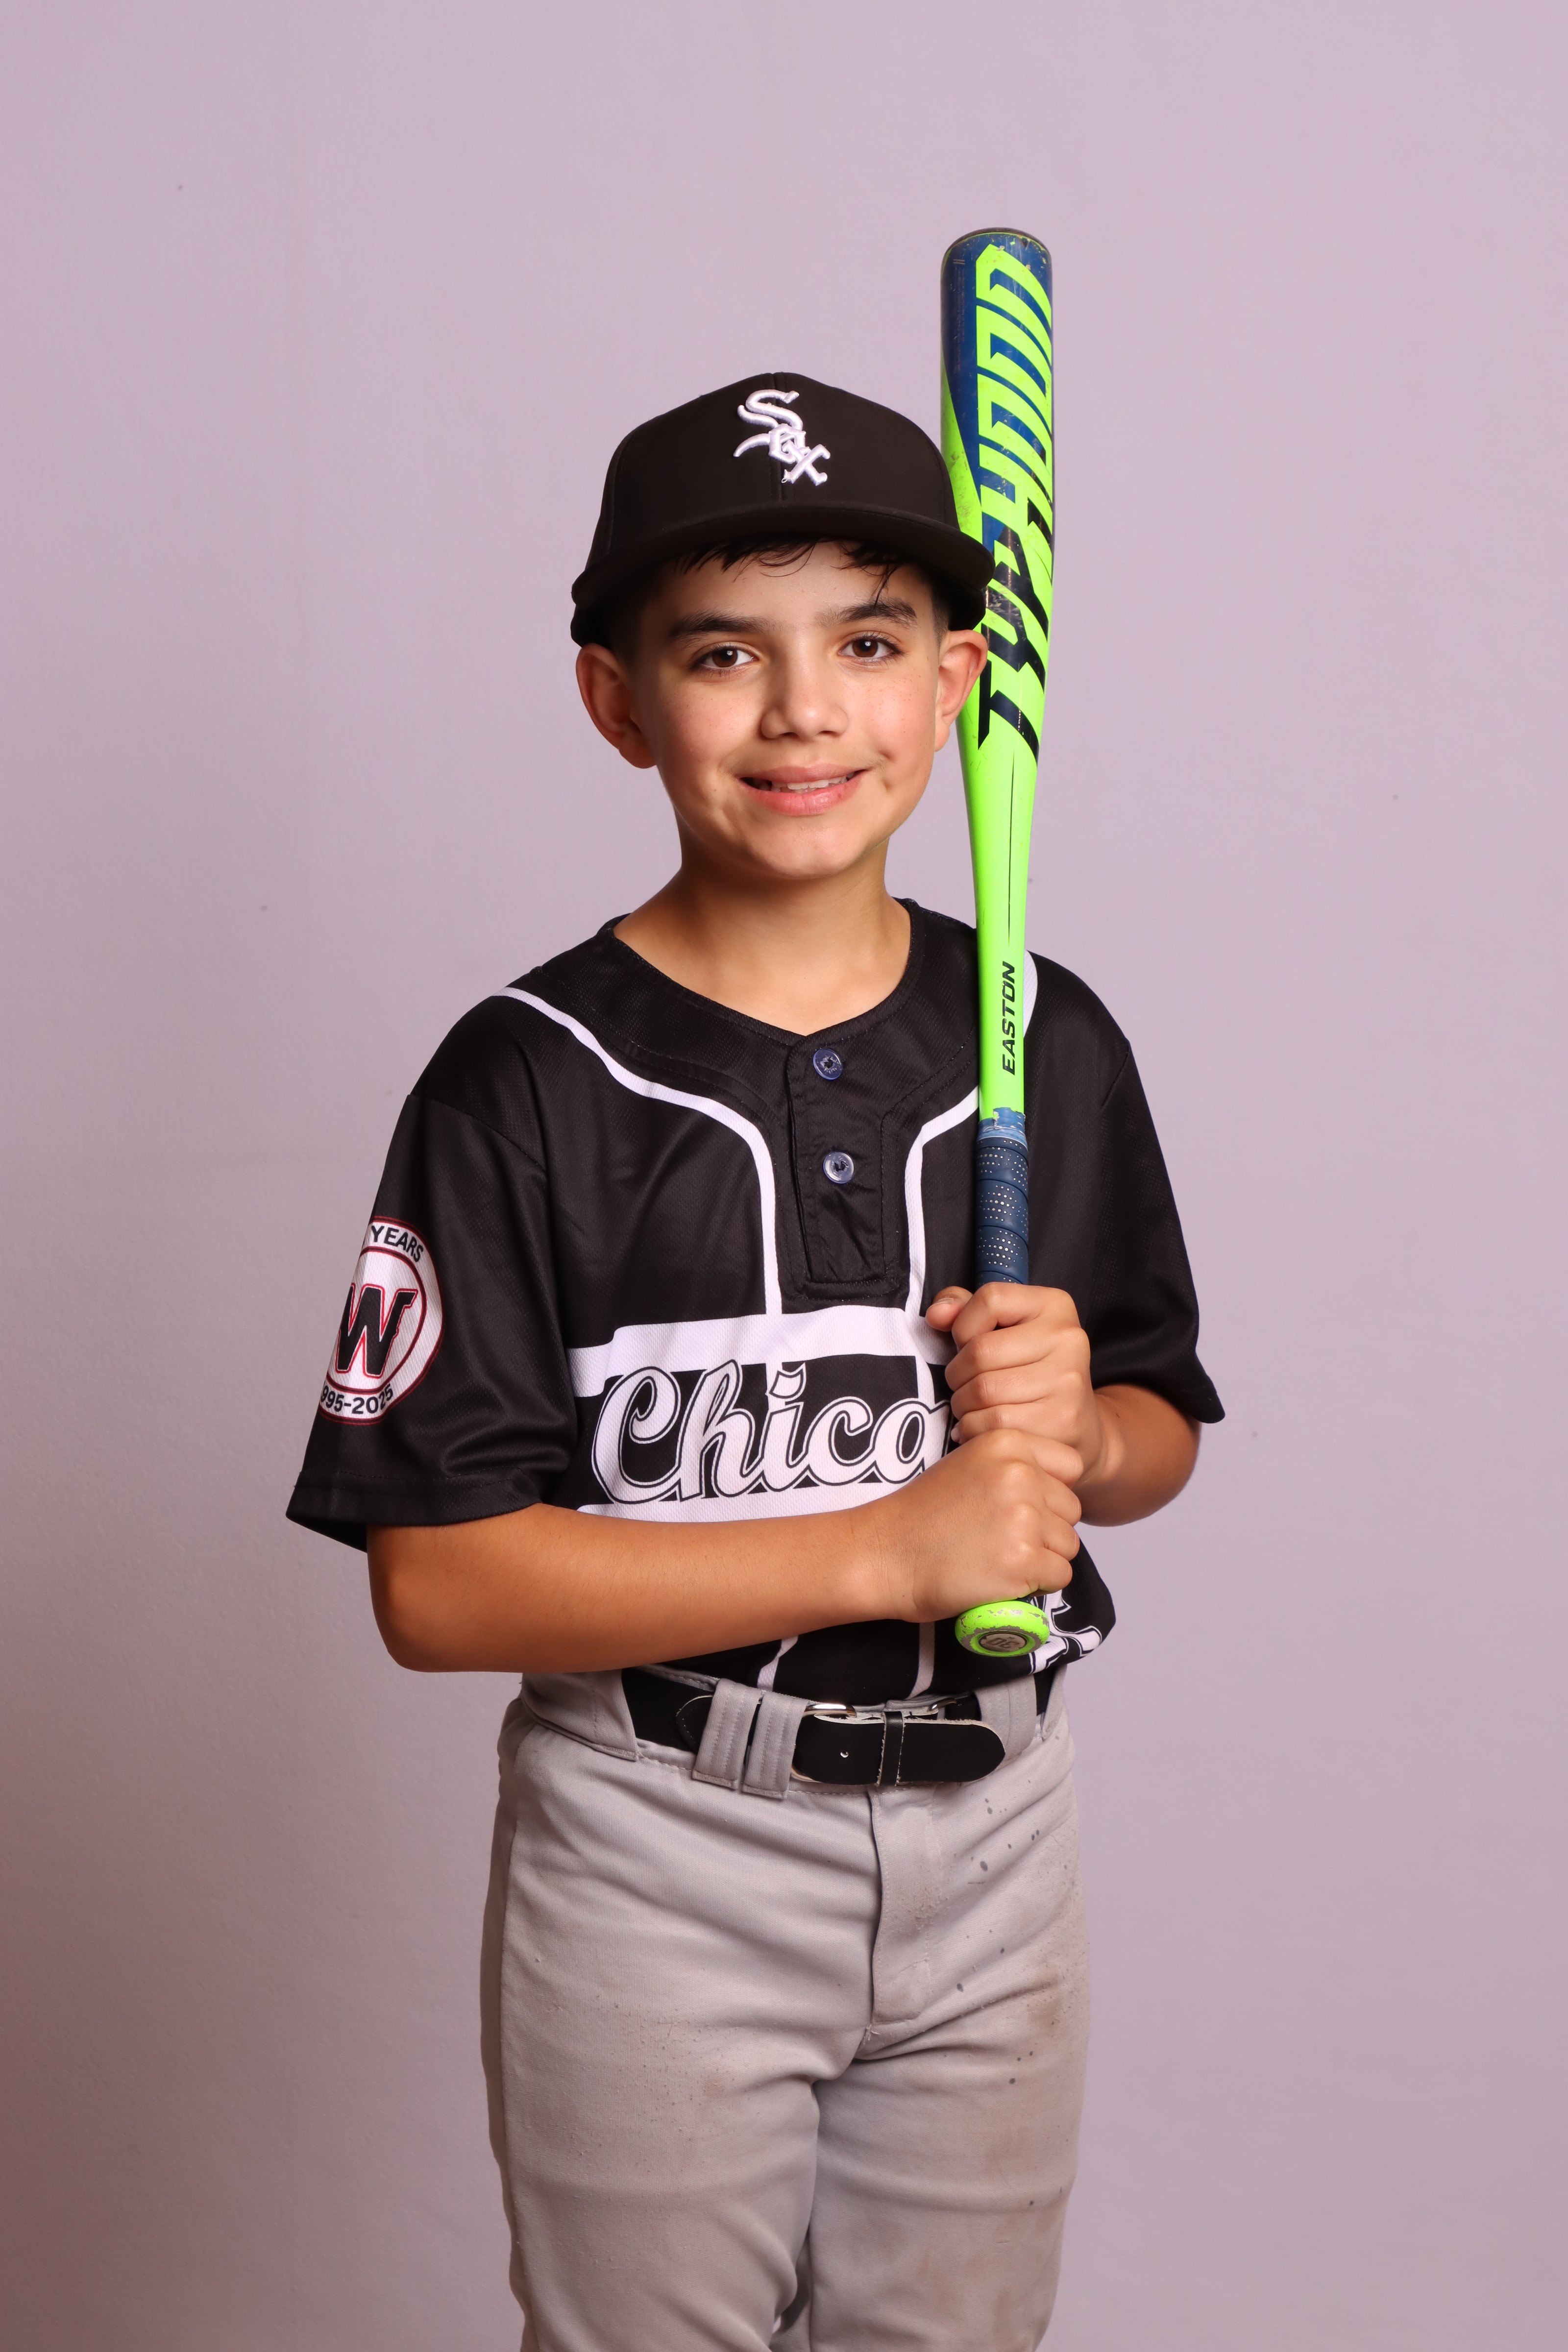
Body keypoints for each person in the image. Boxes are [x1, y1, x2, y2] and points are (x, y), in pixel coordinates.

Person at [287, 371, 1223, 2351]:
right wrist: (889, 1546)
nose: (805, 709)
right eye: (724, 652)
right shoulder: (524, 1082)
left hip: (1000, 1830)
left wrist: (1085, 1432)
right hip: (660, 1845)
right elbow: (438, 1584)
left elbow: (1154, 1432)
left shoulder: (1042, 1035)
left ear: (958, 682)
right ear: (618, 701)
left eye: (868, 644)